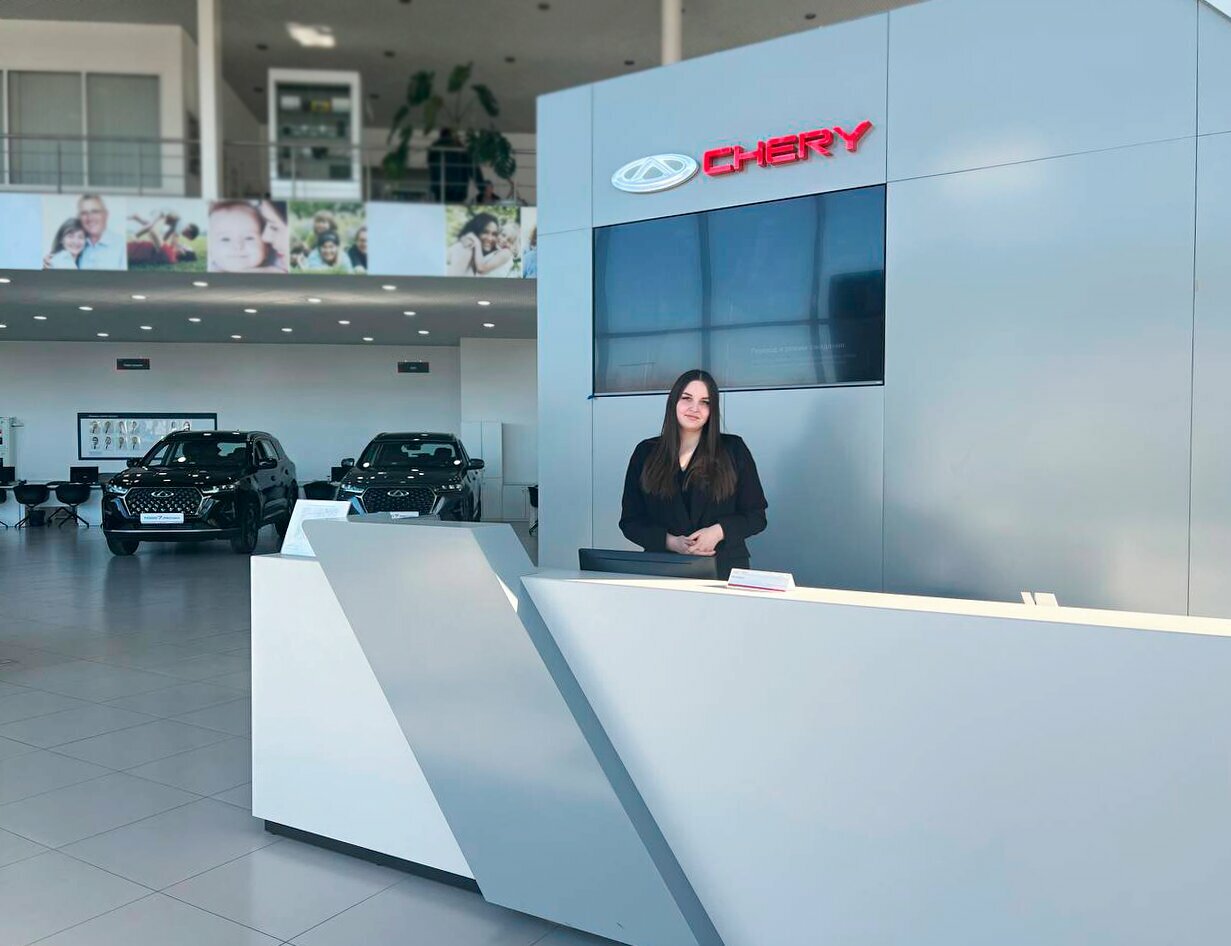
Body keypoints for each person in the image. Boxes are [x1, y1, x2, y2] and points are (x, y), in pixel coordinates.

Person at [620, 369, 767, 580]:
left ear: (712, 410)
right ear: (673, 402)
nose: (694, 408)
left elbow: (756, 516)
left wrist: (718, 532)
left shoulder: (733, 449)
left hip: (724, 569)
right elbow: (631, 521)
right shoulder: (646, 452)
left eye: (705, 402)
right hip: (663, 570)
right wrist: (671, 542)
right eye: (686, 398)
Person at [208, 200, 288, 273]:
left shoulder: (279, 270)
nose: (238, 246)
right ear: (210, 248)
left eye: (249, 238)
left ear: (266, 248)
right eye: (225, 239)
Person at [447, 212, 514, 276]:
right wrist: (476, 242)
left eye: (494, 234)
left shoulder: (494, 254)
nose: (490, 238)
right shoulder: (466, 248)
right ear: (476, 231)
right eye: (485, 232)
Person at [76, 195, 126, 270]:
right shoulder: (76, 246)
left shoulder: (122, 245)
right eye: (84, 213)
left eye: (95, 212)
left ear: (106, 215)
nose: (90, 218)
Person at [427, 128, 476, 203]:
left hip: (441, 189)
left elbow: (430, 164)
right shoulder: (459, 148)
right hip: (457, 190)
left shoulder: (435, 147)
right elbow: (470, 166)